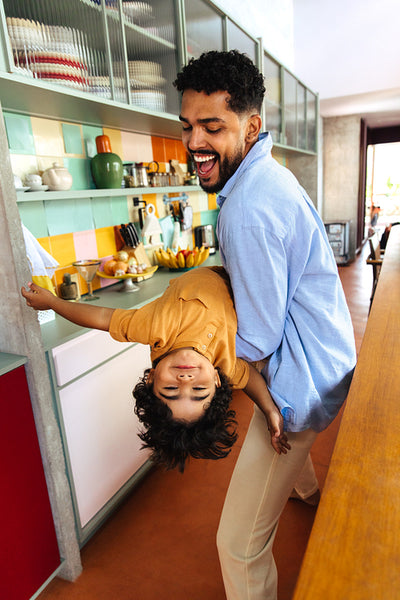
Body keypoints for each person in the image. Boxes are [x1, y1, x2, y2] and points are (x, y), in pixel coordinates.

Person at [174, 50, 356, 600]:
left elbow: (255, 342)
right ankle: (302, 489)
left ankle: (293, 479)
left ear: (251, 126)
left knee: (237, 544)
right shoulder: (268, 175)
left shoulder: (247, 208)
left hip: (303, 382)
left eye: (212, 127)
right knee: (284, 449)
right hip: (331, 353)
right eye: (187, 126)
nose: (194, 143)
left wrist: (191, 335)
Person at [21, 266, 289, 473]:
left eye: (171, 389)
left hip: (217, 269)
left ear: (150, 379)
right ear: (218, 380)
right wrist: (269, 410)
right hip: (244, 278)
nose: (185, 379)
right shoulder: (225, 363)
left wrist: (53, 303)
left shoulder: (154, 328)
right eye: (198, 390)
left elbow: (102, 317)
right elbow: (251, 379)